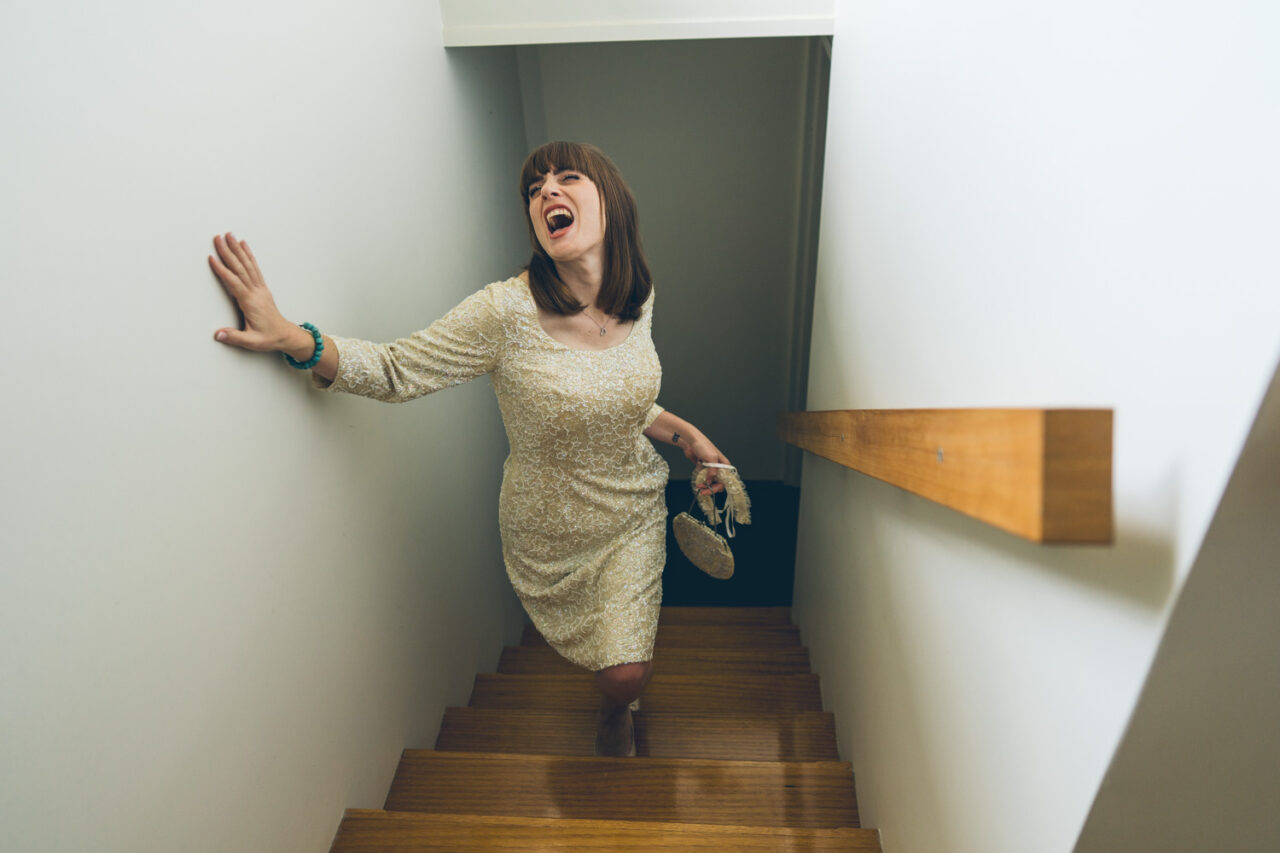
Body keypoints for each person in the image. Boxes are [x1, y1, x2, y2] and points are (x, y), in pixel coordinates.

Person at [208, 141, 730, 758]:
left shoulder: (638, 299)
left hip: (634, 507)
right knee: (610, 657)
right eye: (534, 190)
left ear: (610, 202)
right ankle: (617, 697)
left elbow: (619, 397)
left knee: (625, 672)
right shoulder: (503, 312)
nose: (546, 193)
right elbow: (397, 370)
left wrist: (687, 434)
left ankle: (617, 708)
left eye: (566, 178)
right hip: (550, 524)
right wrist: (294, 337)